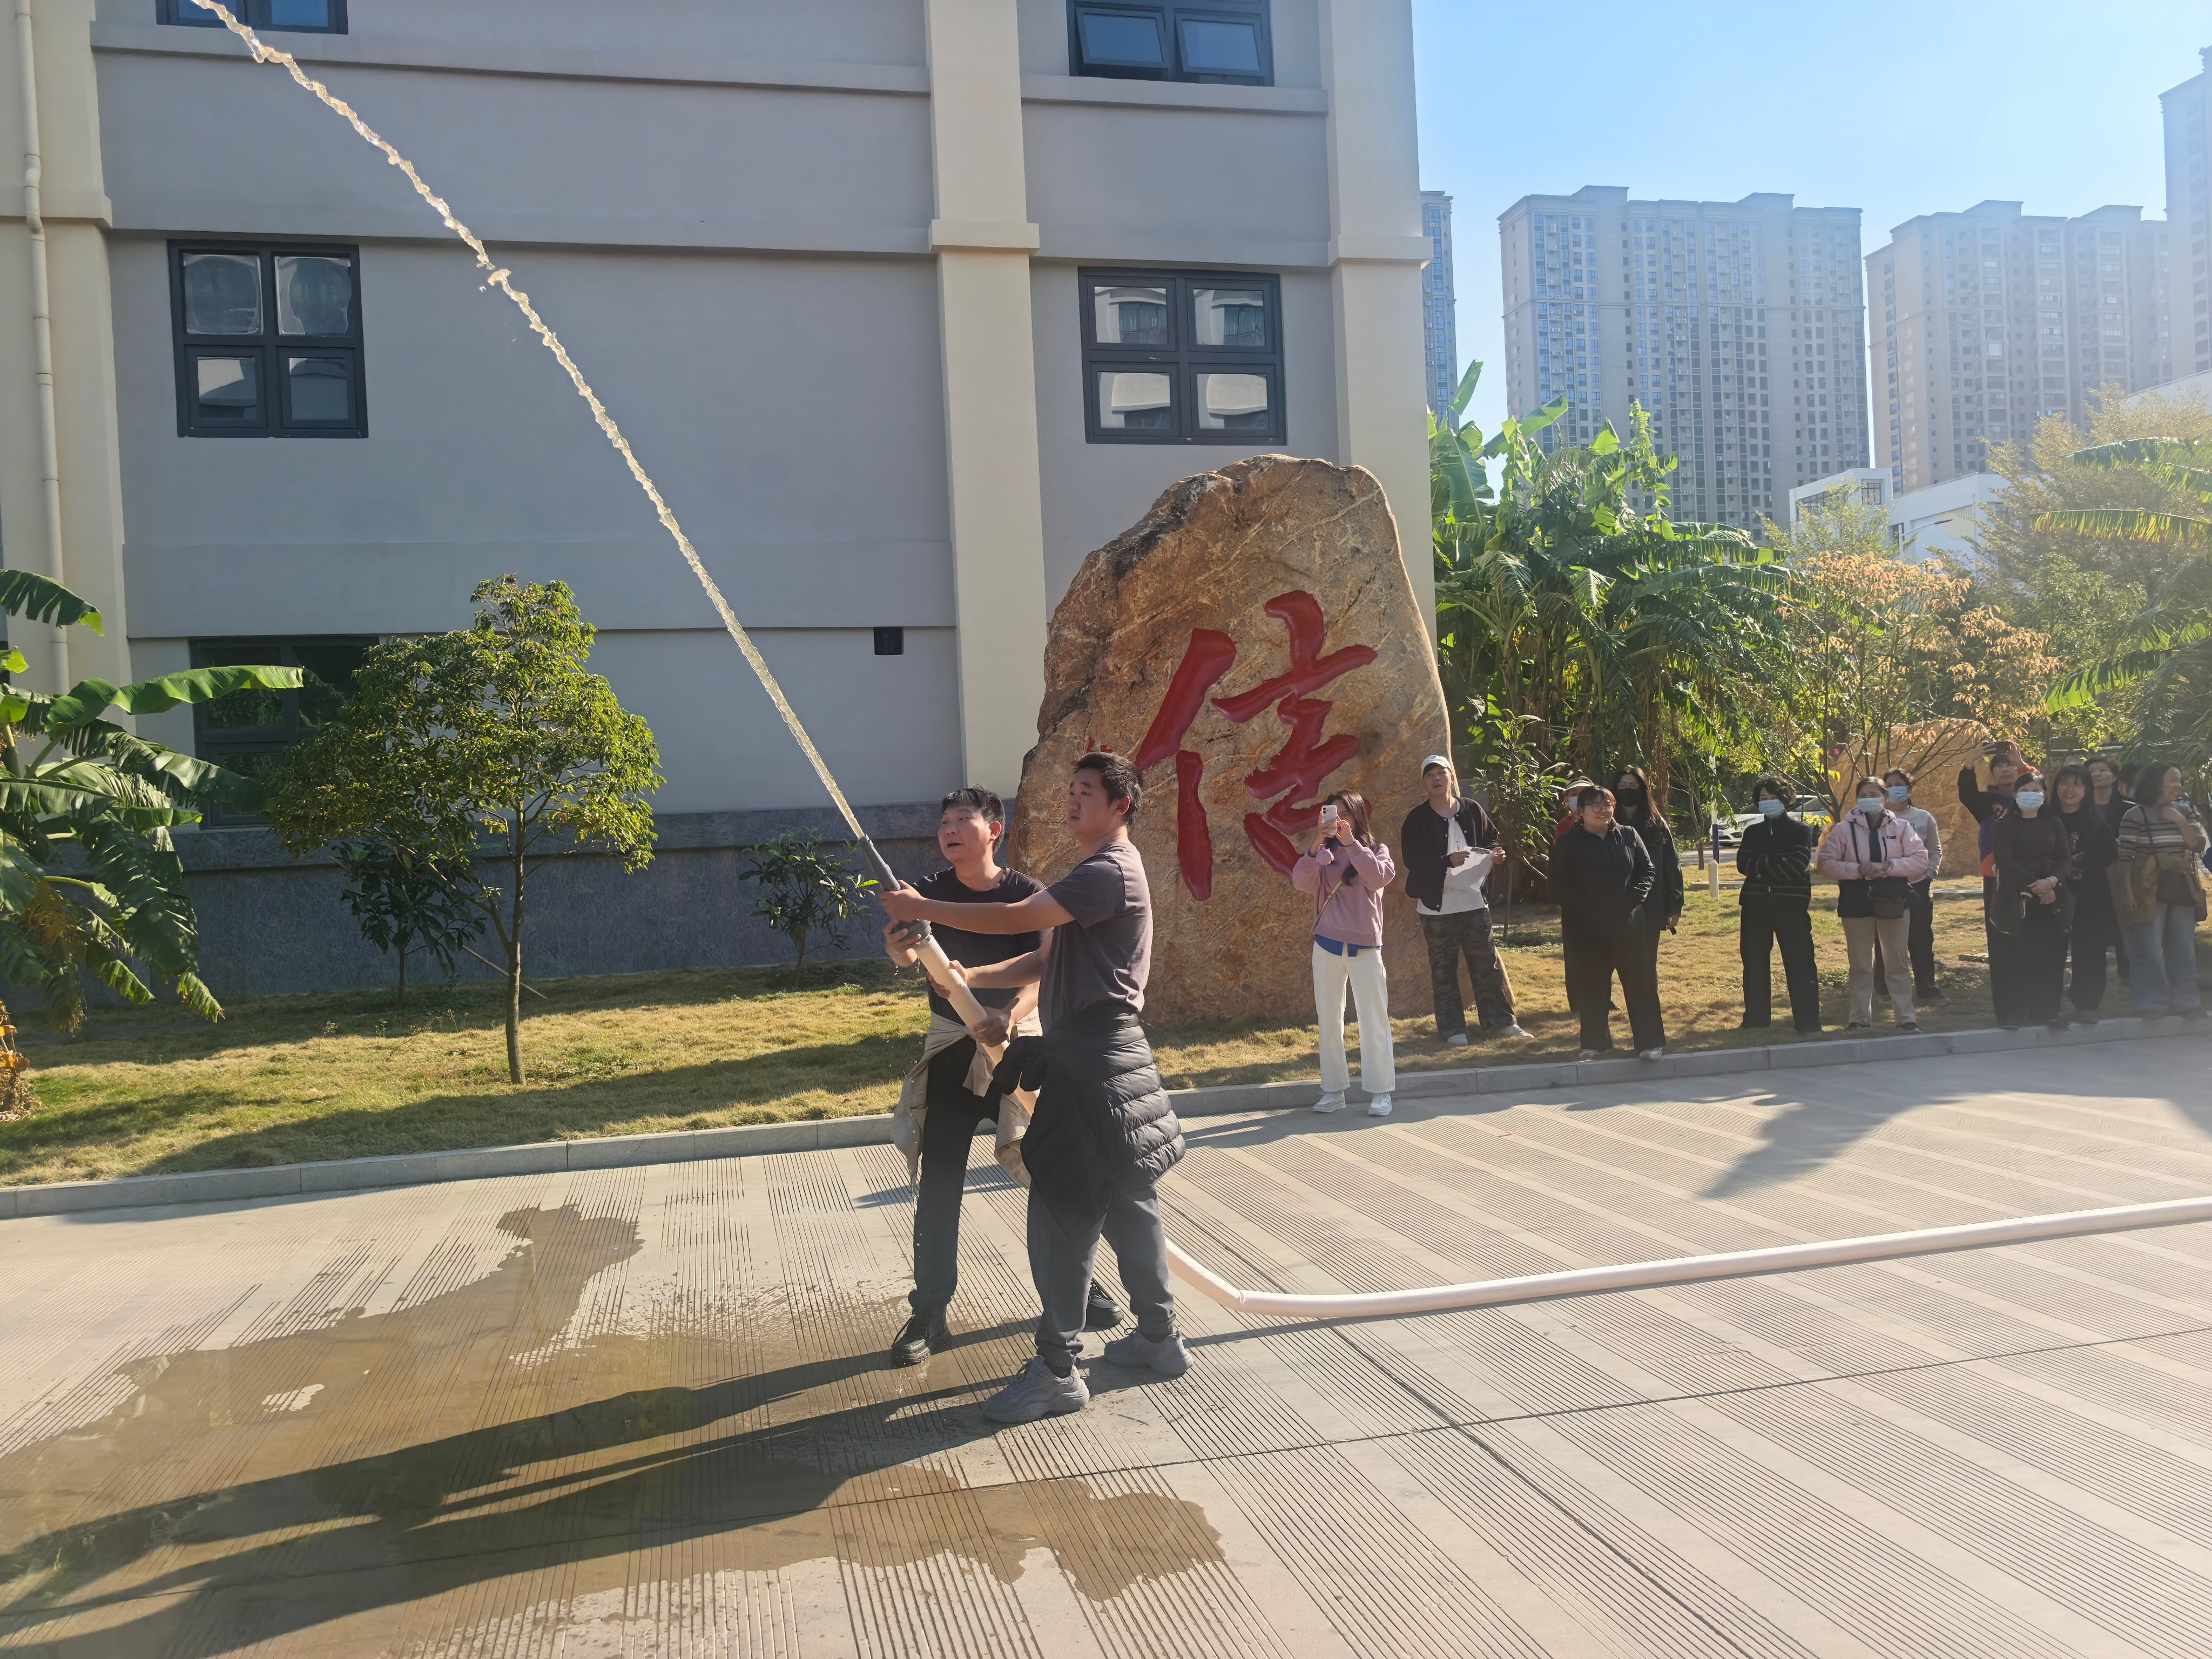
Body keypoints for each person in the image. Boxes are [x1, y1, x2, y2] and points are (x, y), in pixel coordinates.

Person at [882, 753, 1188, 1425]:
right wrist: (971, 976)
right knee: (1128, 1202)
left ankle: (1056, 1370)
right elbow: (1046, 956)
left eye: (1086, 793)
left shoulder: (1107, 871)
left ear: (1120, 806)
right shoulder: (1099, 871)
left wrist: (919, 907)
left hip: (1090, 1059)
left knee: (1061, 1209)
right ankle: (1159, 1337)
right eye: (1070, 790)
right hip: (1109, 1056)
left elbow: (1017, 915)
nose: (1072, 801)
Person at [879, 789, 1123, 1367]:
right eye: (944, 822)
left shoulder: (1026, 895)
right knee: (940, 1183)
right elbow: (909, 958)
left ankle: (1079, 1286)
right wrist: (898, 948)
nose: (950, 829)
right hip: (951, 1049)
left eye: (963, 820)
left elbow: (1042, 971)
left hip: (1020, 1051)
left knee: (1052, 1174)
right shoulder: (927, 891)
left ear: (994, 830)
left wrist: (1007, 1017)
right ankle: (930, 1312)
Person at [1399, 757, 1526, 1048]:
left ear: (1452, 777)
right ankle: (1452, 1028)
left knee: (1486, 965)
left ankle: (1501, 1023)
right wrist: (1446, 861)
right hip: (1436, 907)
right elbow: (1412, 860)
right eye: (1429, 775)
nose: (1436, 779)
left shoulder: (1472, 809)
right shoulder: (1417, 818)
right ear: (1424, 783)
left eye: (1441, 773)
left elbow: (1491, 840)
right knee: (1443, 969)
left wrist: (1497, 854)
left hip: (1473, 902)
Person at [1294, 790, 1397, 1116]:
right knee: (1329, 1020)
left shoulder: (1376, 850)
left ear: (1357, 817)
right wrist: (1316, 843)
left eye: (1345, 814)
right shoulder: (1324, 852)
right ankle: (1333, 1090)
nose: (1338, 820)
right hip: (1327, 944)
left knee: (1374, 1019)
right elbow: (1301, 882)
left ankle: (1381, 1092)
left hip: (1365, 946)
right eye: (1332, 813)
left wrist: (1353, 845)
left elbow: (1378, 878)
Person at [1550, 786, 1666, 1060]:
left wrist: (1634, 899)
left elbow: (1647, 871)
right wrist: (1585, 909)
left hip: (1629, 924)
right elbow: (1557, 885)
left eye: (1608, 804)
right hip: (1586, 928)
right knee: (1592, 986)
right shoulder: (1568, 843)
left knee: (1640, 984)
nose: (1603, 810)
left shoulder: (1628, 835)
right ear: (1581, 811)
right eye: (1596, 805)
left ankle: (1650, 1043)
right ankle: (1595, 1044)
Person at [1817, 778, 1929, 1032]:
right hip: (1856, 898)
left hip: (1893, 896)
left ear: (1885, 798)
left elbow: (1920, 860)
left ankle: (1905, 1018)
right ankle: (1859, 1018)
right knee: (1860, 963)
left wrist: (1889, 867)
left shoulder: (1902, 827)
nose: (1869, 799)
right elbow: (1826, 864)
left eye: (1874, 794)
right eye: (1864, 795)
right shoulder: (1843, 830)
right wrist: (1859, 870)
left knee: (1897, 961)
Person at [2114, 761, 2209, 1017]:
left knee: (2183, 947)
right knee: (2148, 947)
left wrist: (2179, 821)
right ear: (2155, 783)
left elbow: (2198, 845)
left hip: (2180, 883)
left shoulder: (2185, 810)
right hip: (2147, 886)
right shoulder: (2134, 815)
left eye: (2180, 780)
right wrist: (2128, 892)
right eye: (2173, 780)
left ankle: (2187, 1001)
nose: (2179, 785)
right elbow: (2125, 857)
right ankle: (2151, 1003)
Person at [1735, 776, 1823, 1034]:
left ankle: (1808, 1022)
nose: (1768, 802)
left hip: (1791, 905)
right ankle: (1756, 1019)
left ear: (1785, 800)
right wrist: (1776, 862)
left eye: (1773, 798)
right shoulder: (1752, 832)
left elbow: (1797, 864)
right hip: (1755, 905)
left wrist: (1762, 868)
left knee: (1800, 962)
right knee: (1754, 962)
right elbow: (1743, 864)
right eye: (1764, 798)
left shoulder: (1801, 831)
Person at [1989, 769, 2072, 1030]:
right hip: (2016, 896)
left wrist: (2051, 882)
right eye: (2024, 791)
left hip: (2051, 896)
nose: (2030, 795)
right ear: (2015, 795)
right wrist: (2036, 885)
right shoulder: (2004, 825)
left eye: (2035, 791)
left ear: (2044, 794)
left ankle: (2047, 1011)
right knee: (2015, 955)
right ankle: (2013, 1013)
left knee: (2050, 955)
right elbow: (2005, 861)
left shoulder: (2054, 823)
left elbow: (2064, 858)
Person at [1960, 740, 2028, 1026]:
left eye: (2009, 765)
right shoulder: (1988, 803)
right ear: (1993, 774)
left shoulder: (2033, 797)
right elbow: (1966, 794)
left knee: (2033, 943)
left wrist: (2022, 763)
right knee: (2002, 946)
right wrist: (1969, 763)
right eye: (1999, 766)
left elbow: (2042, 787)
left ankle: (2035, 1007)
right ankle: (2008, 1011)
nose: (2005, 769)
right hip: (1998, 879)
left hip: (2033, 878)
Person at [1872, 768, 1947, 1009]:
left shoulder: (1924, 818)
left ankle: (1927, 989)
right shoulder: (1876, 818)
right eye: (1889, 785)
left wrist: (1929, 875)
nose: (1895, 788)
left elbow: (1935, 850)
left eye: (1900, 784)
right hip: (1886, 887)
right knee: (1886, 940)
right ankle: (1884, 989)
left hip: (1918, 887)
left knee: (1921, 939)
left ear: (1909, 789)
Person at [2051, 763, 2117, 1024]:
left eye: (2077, 784)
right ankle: (2046, 1005)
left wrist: (2083, 859)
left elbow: (2109, 854)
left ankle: (2087, 1004)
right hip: (2051, 894)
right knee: (2050, 950)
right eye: (2064, 783)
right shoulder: (2045, 817)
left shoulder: (2095, 820)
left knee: (2090, 950)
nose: (2070, 789)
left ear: (2087, 790)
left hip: (2089, 895)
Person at [1613, 765, 1683, 1003]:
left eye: (1633, 786)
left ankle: (1647, 1008)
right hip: (1616, 904)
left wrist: (1674, 906)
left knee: (1645, 962)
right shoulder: (1608, 823)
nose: (1628, 790)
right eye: (1623, 786)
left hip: (1651, 904)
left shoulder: (1657, 824)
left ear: (1643, 789)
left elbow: (1672, 866)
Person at [2086, 754, 2132, 990]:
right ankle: (2089, 980)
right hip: (2088, 874)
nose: (2097, 775)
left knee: (2125, 923)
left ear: (2114, 777)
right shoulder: (2078, 809)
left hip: (2121, 873)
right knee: (2089, 927)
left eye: (2103, 770)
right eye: (2092, 771)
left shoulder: (2130, 809)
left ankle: (2128, 976)